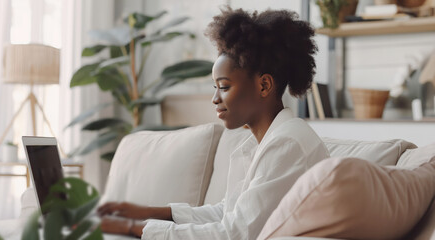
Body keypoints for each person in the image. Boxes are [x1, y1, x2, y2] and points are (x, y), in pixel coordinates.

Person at [97, 7, 330, 240]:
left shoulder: (287, 144)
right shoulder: (259, 144)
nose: (215, 98)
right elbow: (228, 213)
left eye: (225, 86)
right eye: (215, 87)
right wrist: (147, 213)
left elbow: (234, 233)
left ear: (264, 86)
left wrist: (133, 228)